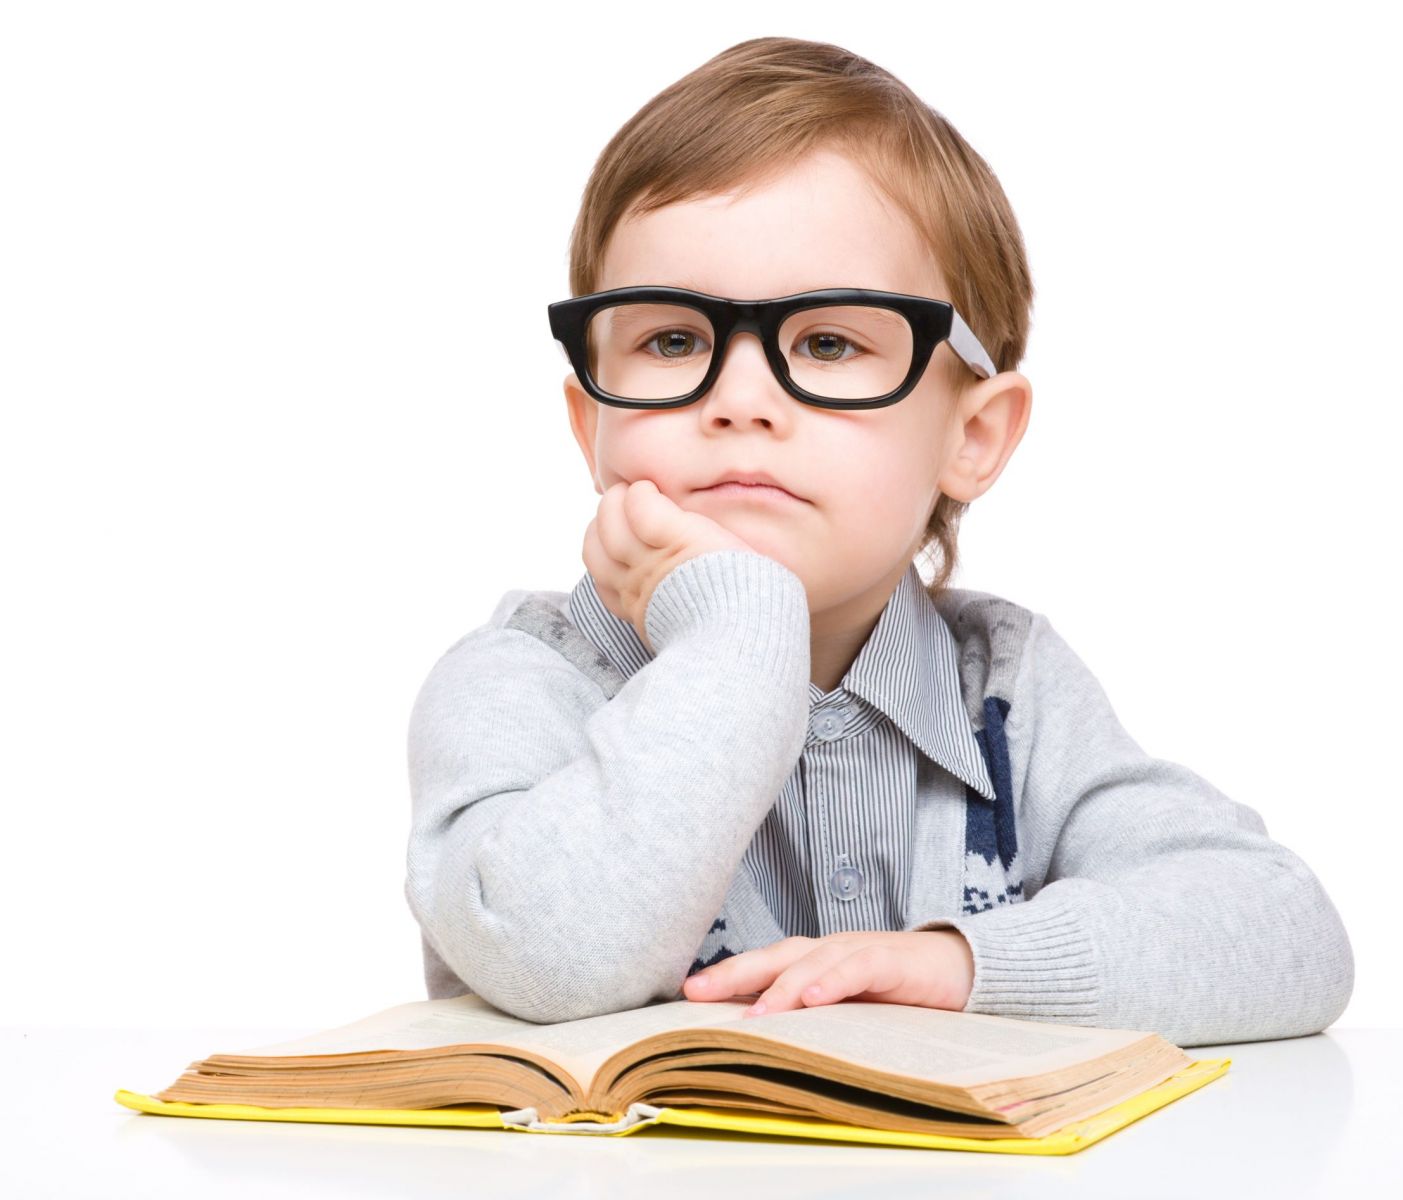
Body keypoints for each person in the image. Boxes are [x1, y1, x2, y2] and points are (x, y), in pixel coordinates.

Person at [404, 37, 1353, 1046]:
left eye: (827, 342)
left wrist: (960, 966)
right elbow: (549, 953)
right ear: (590, 421)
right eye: (671, 340)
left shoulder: (1004, 691)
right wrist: (735, 633)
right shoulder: (523, 682)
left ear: (971, 436)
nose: (737, 400)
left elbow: (1286, 934)